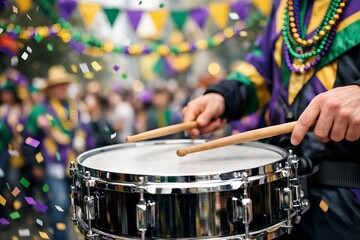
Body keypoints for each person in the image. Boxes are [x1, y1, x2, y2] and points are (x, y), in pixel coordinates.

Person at [182, 0, 360, 239]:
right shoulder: (286, 6)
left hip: (349, 200)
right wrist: (222, 97)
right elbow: (260, 70)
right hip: (280, 197)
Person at [26, 65, 90, 240]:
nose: (62, 88)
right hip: (53, 164)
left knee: (81, 207)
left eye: (64, 84)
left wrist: (82, 137)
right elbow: (30, 140)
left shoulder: (76, 106)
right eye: (57, 85)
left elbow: (85, 129)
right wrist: (36, 163)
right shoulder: (40, 109)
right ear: (50, 89)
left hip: (76, 164)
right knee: (59, 205)